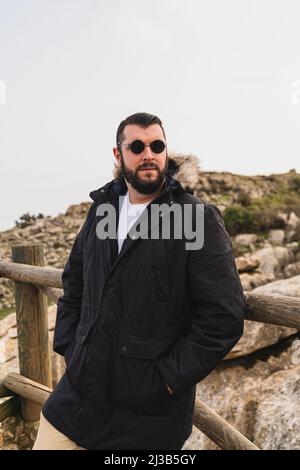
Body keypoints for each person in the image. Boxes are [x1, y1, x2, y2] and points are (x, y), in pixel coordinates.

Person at [33, 112, 246, 450]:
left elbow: (223, 316)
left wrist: (166, 381)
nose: (148, 153)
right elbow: (74, 283)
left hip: (148, 418)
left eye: (157, 145)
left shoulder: (194, 217)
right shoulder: (104, 211)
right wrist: (71, 347)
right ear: (119, 155)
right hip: (77, 399)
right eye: (137, 145)